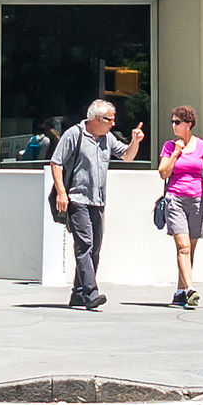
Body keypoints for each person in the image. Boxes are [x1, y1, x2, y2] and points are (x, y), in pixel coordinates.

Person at [50, 97, 117, 311]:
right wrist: (62, 193)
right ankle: (90, 292)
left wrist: (135, 141)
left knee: (95, 247)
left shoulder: (107, 138)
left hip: (98, 201)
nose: (113, 123)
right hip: (77, 198)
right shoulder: (74, 134)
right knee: (84, 244)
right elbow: (56, 162)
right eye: (110, 119)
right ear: (97, 119)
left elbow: (127, 155)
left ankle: (78, 293)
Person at [154, 104, 203, 310]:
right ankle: (190, 289)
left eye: (177, 122)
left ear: (188, 124)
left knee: (190, 248)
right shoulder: (169, 146)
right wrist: (175, 153)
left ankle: (180, 292)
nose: (173, 125)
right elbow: (163, 172)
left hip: (198, 199)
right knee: (183, 247)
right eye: (172, 122)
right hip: (175, 199)